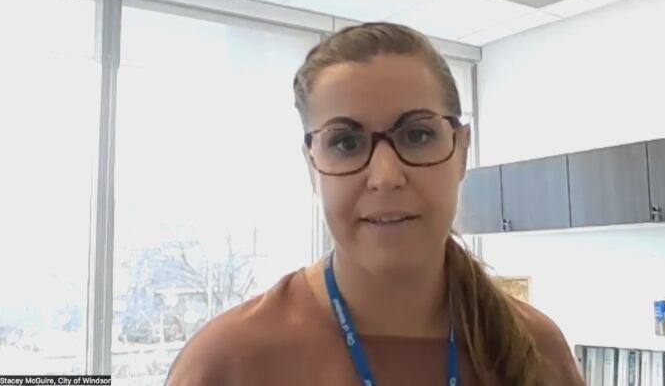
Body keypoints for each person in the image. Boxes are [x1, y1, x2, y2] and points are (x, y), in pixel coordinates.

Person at [165, 22, 585, 386]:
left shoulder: (538, 350)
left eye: (417, 135)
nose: (385, 177)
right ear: (312, 167)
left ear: (461, 150)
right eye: (346, 143)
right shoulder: (228, 363)